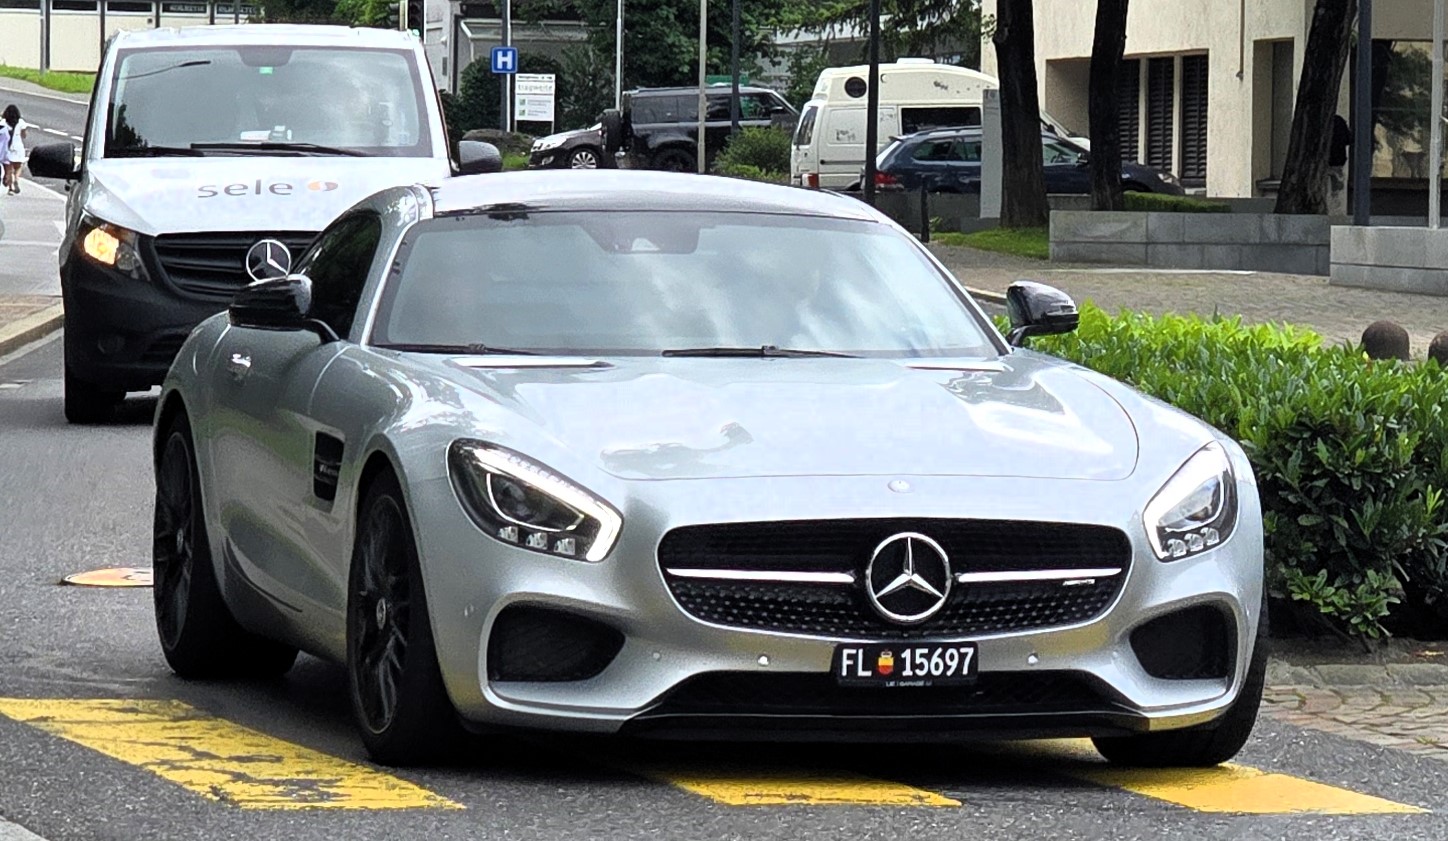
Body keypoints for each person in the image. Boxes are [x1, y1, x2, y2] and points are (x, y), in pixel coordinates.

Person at [1328, 113, 1351, 217]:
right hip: (1337, 160)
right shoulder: (1339, 121)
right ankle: (1335, 206)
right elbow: (1349, 139)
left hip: (1329, 160)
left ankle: (1334, 205)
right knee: (1337, 188)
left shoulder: (1323, 122)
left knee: (1334, 186)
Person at [3, 105, 28, 195]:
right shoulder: (21, 122)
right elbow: (24, 135)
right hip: (17, 146)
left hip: (7, 147)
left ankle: (10, 188)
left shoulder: (3, 123)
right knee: (18, 166)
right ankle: (16, 179)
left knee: (8, 169)